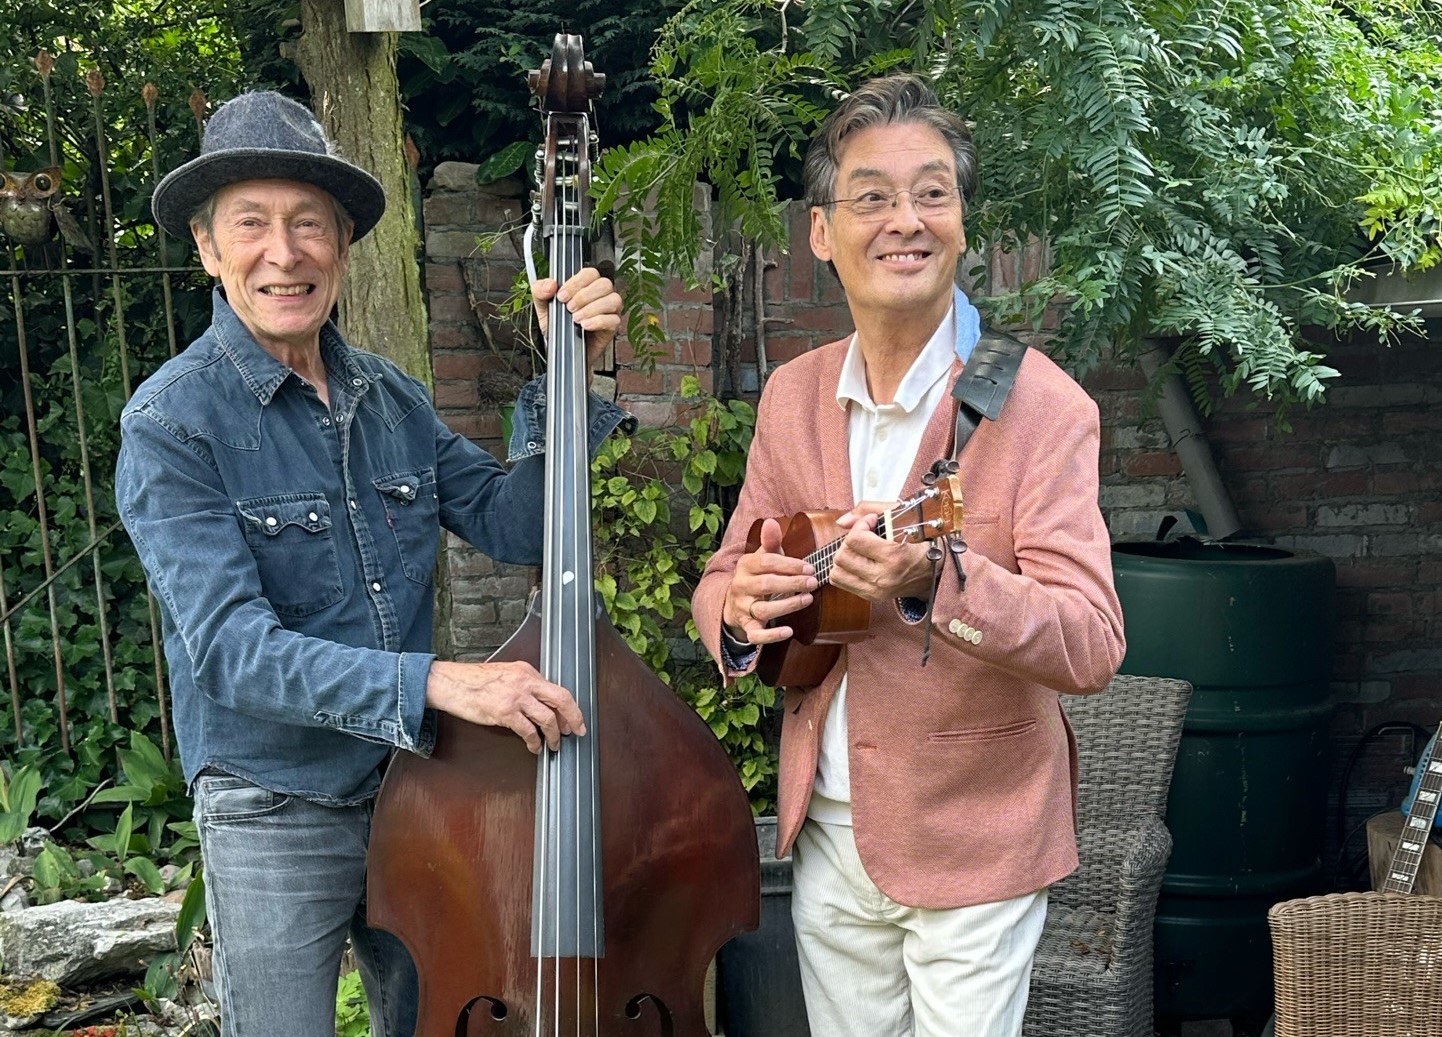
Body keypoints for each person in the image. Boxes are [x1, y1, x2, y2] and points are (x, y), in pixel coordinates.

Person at [114, 91, 630, 1037]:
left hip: (410, 796)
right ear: (207, 247)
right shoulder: (171, 424)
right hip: (274, 811)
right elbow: (233, 652)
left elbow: (517, 524)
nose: (285, 251)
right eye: (253, 225)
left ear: (343, 246)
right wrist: (440, 682)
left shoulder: (391, 398)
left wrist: (571, 376)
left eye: (310, 223)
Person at [692, 74, 1126, 1036]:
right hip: (832, 835)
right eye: (873, 196)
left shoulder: (1040, 406)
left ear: (965, 221)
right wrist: (736, 606)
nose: (907, 221)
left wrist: (940, 577)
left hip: (979, 833)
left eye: (933, 193)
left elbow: (1093, 641)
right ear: (821, 231)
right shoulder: (792, 396)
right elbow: (726, 573)